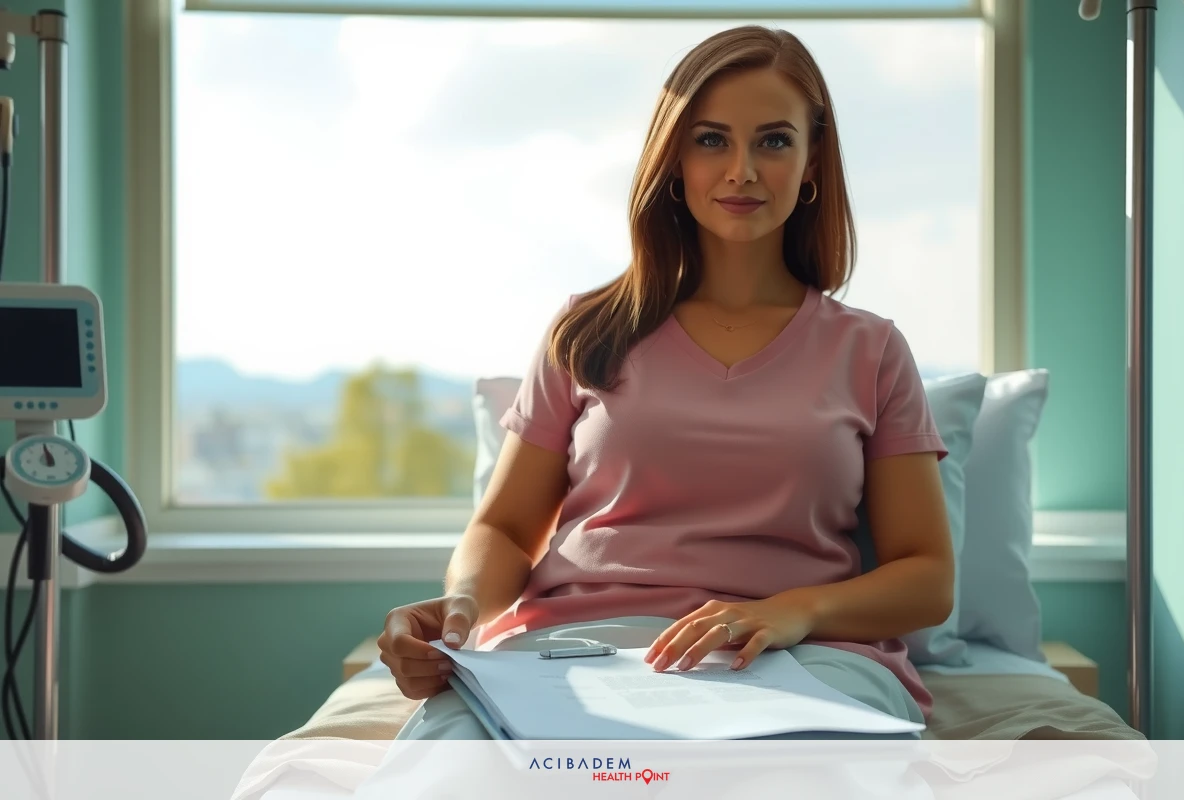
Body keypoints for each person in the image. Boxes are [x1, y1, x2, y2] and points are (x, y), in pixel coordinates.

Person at [378, 24, 954, 741]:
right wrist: (462, 606)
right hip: (575, 649)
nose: (742, 170)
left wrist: (792, 610)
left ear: (812, 162)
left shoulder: (871, 350)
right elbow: (504, 527)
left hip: (801, 654)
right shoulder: (584, 330)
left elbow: (927, 576)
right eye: (711, 140)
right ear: (674, 158)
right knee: (449, 768)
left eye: (773, 141)